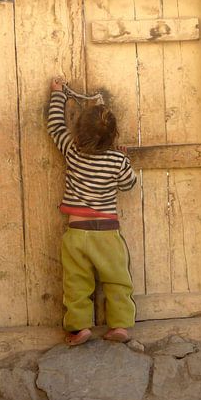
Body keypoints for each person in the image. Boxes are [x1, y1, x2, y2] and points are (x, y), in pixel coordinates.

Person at [46, 76, 137, 346]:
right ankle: (119, 325)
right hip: (108, 233)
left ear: (78, 131)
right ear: (113, 136)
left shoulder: (71, 150)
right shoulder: (117, 159)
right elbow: (129, 184)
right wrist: (125, 159)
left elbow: (54, 125)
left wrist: (58, 93)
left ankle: (79, 328)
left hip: (77, 233)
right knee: (118, 280)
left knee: (76, 283)